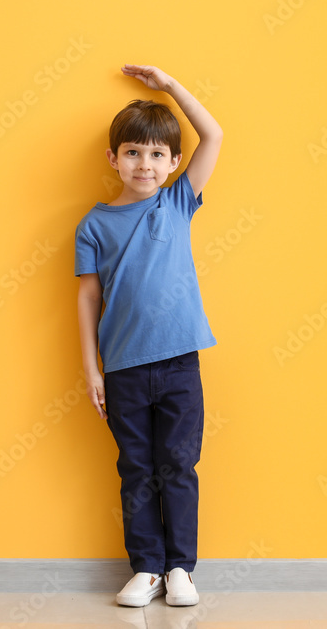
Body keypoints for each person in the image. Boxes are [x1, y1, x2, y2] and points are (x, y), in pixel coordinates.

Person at [74, 64, 222, 607]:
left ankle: (182, 567)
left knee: (178, 465)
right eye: (133, 152)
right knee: (135, 467)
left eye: (158, 154)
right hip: (123, 368)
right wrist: (92, 369)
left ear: (174, 164)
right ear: (114, 158)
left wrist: (171, 87)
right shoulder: (91, 225)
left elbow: (215, 135)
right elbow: (89, 298)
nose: (145, 163)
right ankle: (147, 568)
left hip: (181, 362)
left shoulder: (177, 201)